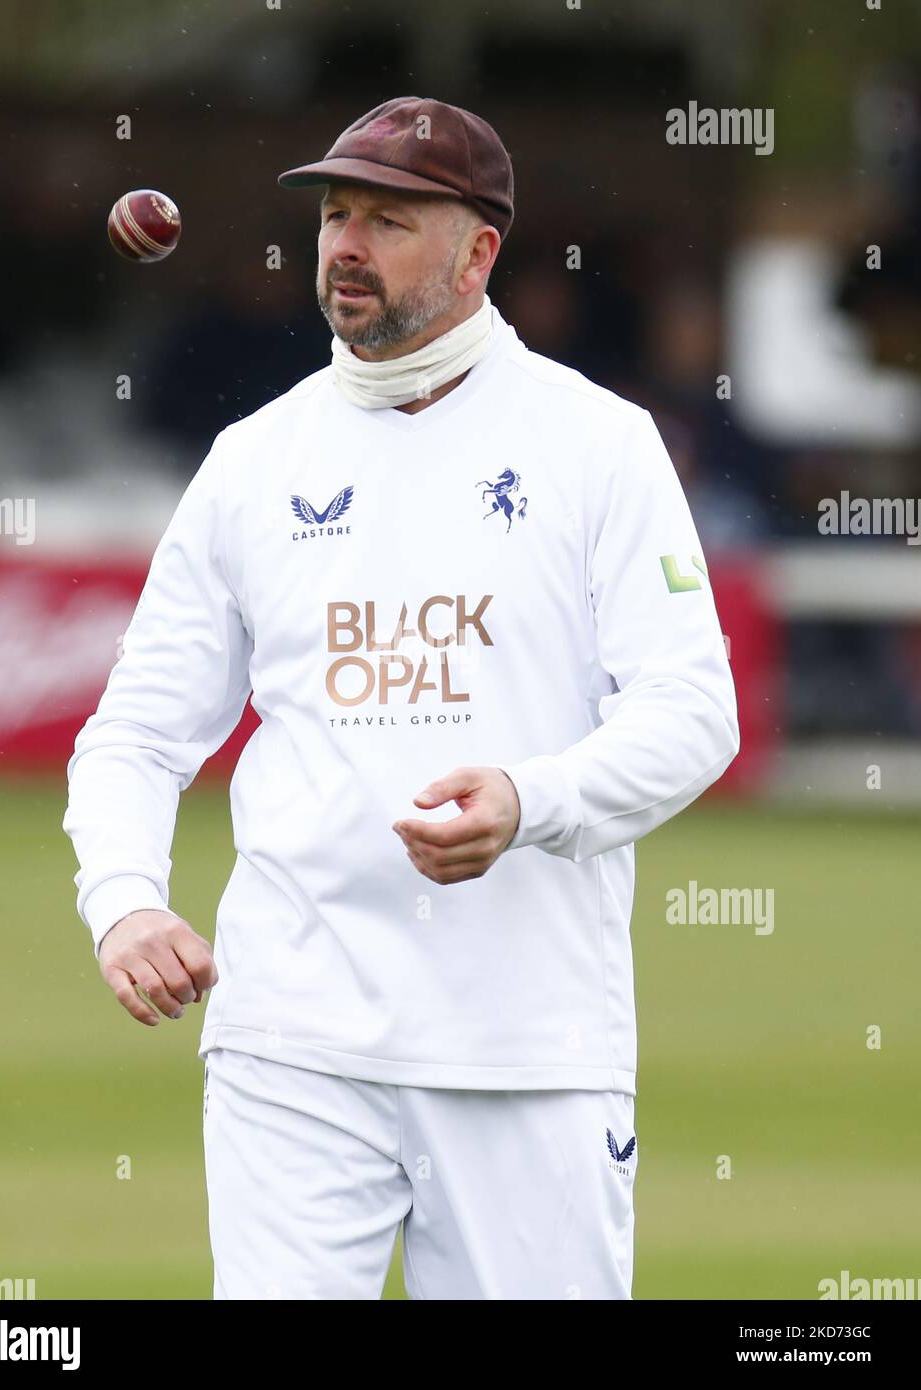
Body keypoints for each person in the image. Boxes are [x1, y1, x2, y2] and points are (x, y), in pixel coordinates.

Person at [63, 96, 739, 1300]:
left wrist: (531, 798)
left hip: (526, 1048)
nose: (344, 247)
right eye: (333, 215)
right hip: (291, 1038)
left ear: (479, 250)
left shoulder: (597, 443)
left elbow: (693, 713)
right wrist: (123, 901)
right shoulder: (253, 460)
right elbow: (137, 729)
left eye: (388, 218)